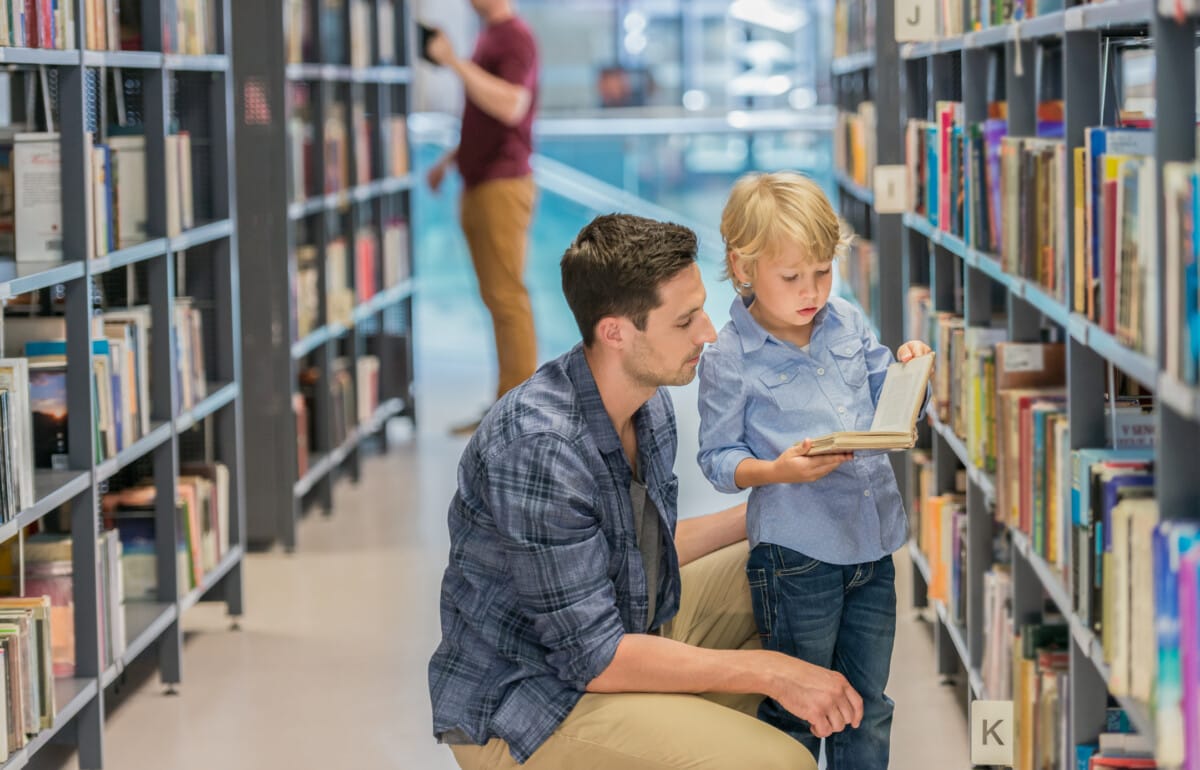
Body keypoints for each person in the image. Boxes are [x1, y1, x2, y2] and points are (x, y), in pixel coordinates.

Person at [429, 213, 864, 770]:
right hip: (533, 705)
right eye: (685, 321)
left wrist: (770, 506)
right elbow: (595, 659)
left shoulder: (647, 403)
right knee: (779, 761)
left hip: (621, 632)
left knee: (802, 568)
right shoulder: (541, 447)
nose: (708, 332)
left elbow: (639, 554)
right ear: (616, 332)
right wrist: (772, 673)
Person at [696, 171, 933, 769]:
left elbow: (888, 399)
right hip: (795, 557)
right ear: (744, 268)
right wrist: (775, 472)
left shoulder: (847, 321)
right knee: (800, 709)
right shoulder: (728, 359)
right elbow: (717, 460)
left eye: (823, 272)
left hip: (872, 545)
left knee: (867, 704)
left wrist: (910, 371)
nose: (812, 291)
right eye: (792, 277)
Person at [424, 0, 539, 433]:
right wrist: (452, 158)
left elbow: (511, 105)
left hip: (502, 183)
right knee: (498, 298)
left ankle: (521, 414)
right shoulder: (489, 35)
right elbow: (486, 119)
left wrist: (452, 61)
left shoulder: (515, 37)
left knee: (507, 298)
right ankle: (505, 406)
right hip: (480, 181)